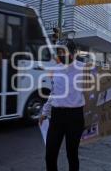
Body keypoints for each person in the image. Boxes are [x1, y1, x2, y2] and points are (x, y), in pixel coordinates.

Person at [39, 39, 86, 171]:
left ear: (72, 52)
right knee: (50, 154)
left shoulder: (84, 68)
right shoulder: (56, 69)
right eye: (59, 51)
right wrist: (44, 112)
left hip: (75, 116)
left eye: (63, 51)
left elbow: (107, 77)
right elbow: (53, 92)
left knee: (72, 154)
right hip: (57, 116)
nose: (61, 54)